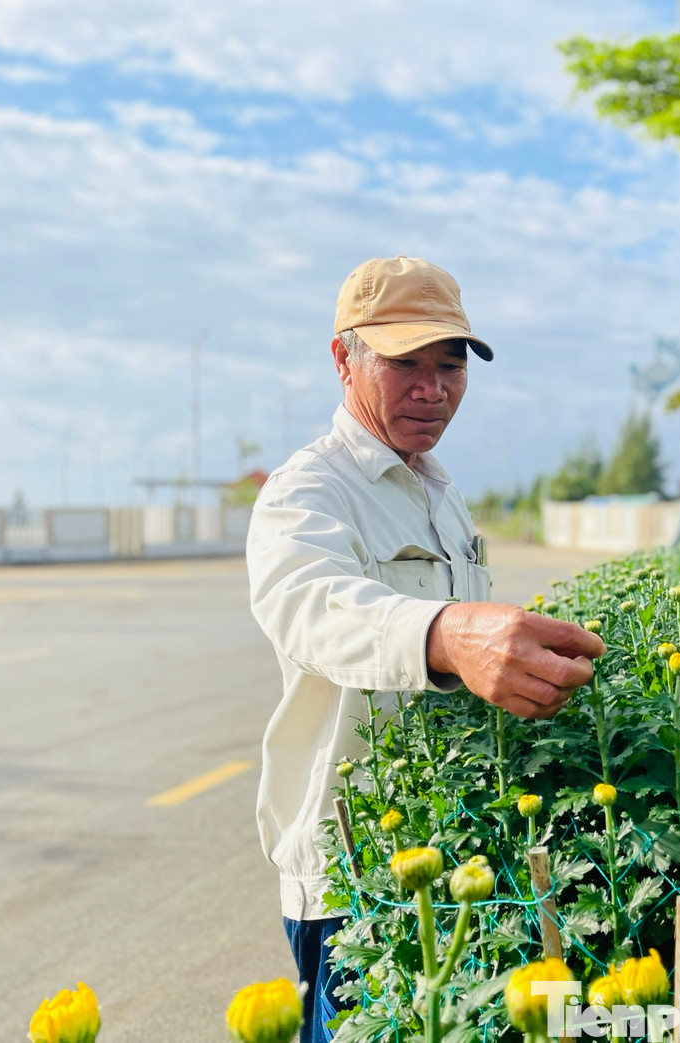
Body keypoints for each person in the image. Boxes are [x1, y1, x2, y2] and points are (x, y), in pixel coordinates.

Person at [245, 256, 605, 1043]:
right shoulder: (306, 490)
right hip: (354, 875)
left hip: (451, 848)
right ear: (343, 358)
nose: (432, 387)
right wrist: (446, 632)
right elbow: (310, 604)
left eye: (449, 365)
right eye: (405, 362)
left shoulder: (441, 491)